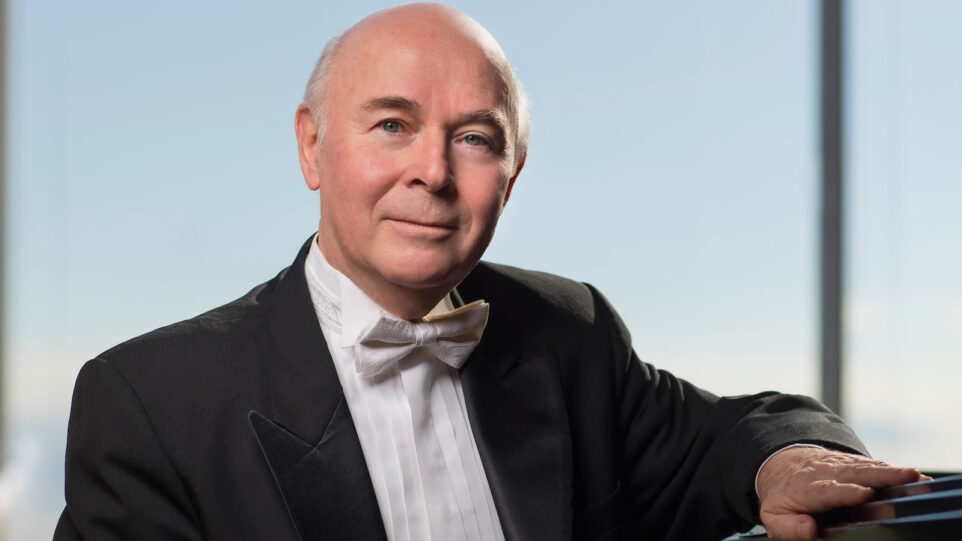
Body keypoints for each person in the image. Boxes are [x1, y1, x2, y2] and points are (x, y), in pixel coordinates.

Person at [54, 4, 926, 541]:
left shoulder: (568, 330)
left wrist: (788, 463)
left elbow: (738, 432)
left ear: (509, 179)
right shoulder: (148, 400)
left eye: (473, 137)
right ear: (311, 147)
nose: (432, 171)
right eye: (392, 124)